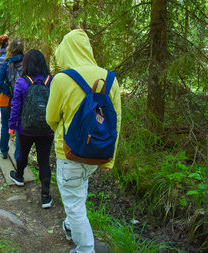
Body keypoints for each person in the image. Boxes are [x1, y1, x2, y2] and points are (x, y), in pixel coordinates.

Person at [46, 29, 122, 253]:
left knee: (74, 203)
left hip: (69, 153)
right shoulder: (110, 79)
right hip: (98, 153)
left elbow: (51, 118)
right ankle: (71, 227)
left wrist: (61, 131)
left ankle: (85, 249)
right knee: (79, 193)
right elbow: (116, 124)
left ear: (67, 50)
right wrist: (110, 160)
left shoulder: (62, 79)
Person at [7, 49, 54, 209]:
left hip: (25, 128)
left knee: (23, 153)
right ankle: (46, 197)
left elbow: (16, 106)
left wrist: (11, 127)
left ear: (26, 64)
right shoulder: (51, 81)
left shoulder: (22, 82)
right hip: (47, 129)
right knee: (44, 161)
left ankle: (19, 176)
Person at [0, 40, 24, 160]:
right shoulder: (26, 62)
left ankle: (4, 151)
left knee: (5, 125)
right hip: (22, 99)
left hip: (6, 100)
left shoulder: (5, 63)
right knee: (19, 126)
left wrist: (8, 91)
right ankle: (18, 155)